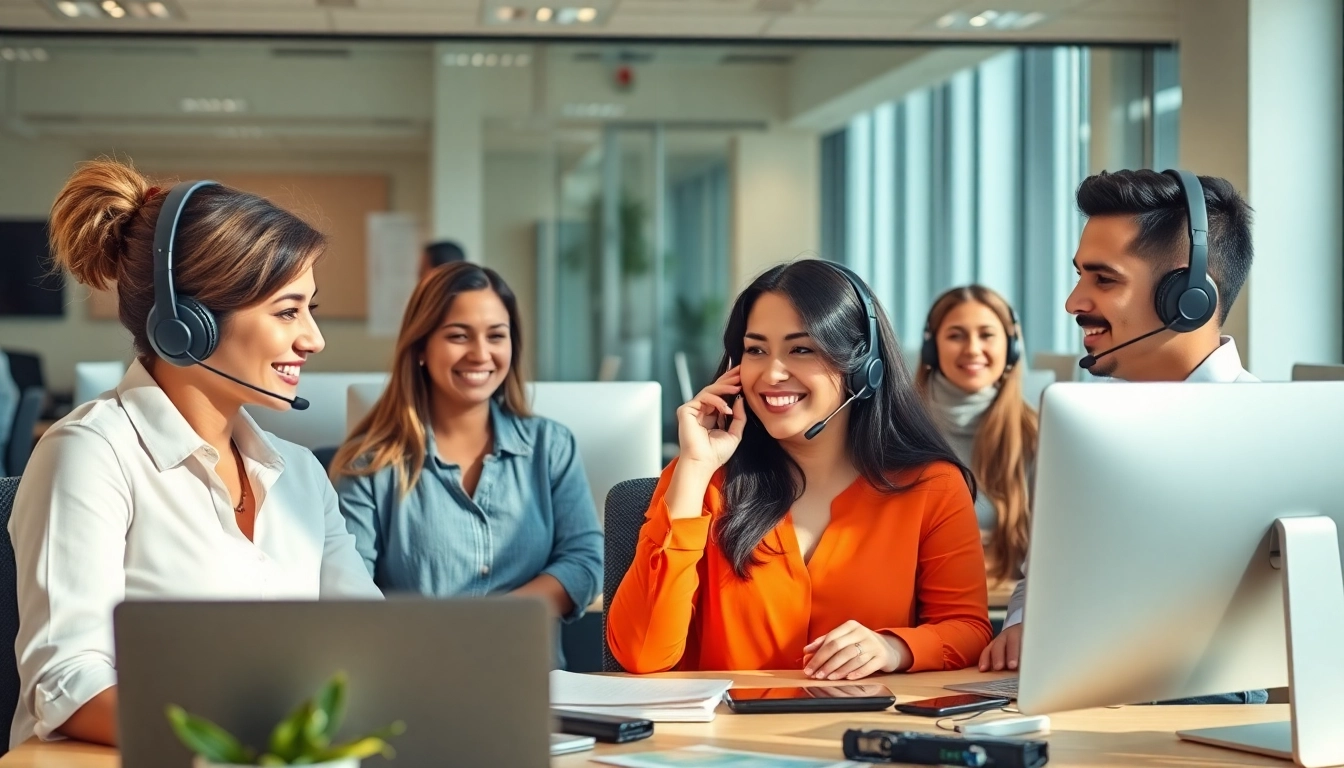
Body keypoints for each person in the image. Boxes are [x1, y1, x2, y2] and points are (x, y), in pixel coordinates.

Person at [10, 160, 381, 749]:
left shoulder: (300, 476)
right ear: (189, 324)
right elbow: (68, 684)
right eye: (288, 311)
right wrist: (249, 743)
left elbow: (375, 645)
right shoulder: (90, 454)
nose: (313, 338)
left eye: (310, 309)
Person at [607, 259, 991, 678]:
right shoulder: (703, 480)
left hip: (855, 735)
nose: (772, 373)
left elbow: (968, 630)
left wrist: (893, 647)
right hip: (724, 738)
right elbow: (641, 653)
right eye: (756, 350)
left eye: (801, 349)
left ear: (862, 366)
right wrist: (694, 472)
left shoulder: (930, 485)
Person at [980, 169, 1257, 682]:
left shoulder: (1272, 435)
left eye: (1103, 279)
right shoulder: (1081, 429)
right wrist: (1022, 621)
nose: (1074, 303)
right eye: (1080, 275)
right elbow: (1041, 577)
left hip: (1208, 712)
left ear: (1189, 297)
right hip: (1069, 697)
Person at [331, 263, 602, 663]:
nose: (480, 354)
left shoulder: (551, 445)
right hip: (416, 677)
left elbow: (584, 559)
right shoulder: (368, 464)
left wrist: (490, 621)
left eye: (496, 336)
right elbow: (350, 593)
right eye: (458, 336)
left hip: (530, 681)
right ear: (421, 346)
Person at [916, 286, 1037, 585]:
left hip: (1007, 606)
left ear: (1011, 347)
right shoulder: (896, 427)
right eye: (956, 335)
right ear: (932, 348)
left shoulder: (1036, 435)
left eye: (986, 335)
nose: (972, 349)